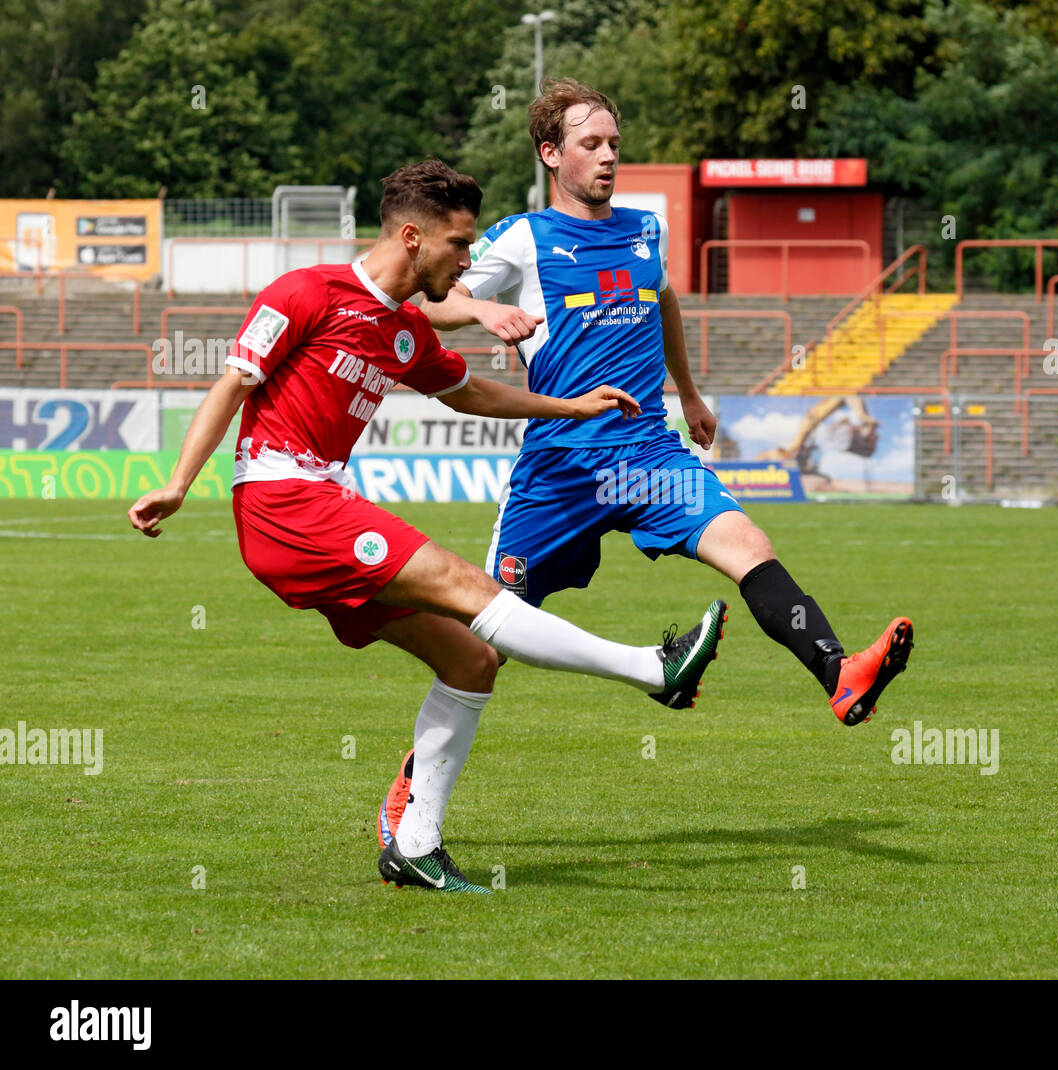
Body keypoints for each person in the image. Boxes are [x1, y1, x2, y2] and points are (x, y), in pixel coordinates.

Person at [128, 158, 727, 895]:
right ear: (413, 237)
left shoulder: (404, 328)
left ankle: (416, 846)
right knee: (467, 584)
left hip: (317, 508)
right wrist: (178, 484)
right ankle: (653, 670)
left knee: (472, 661)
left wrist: (570, 408)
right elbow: (233, 382)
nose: (469, 262)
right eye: (460, 245)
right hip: (285, 503)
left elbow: (468, 391)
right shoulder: (308, 292)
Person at [378, 80, 914, 847]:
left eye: (614, 145)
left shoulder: (645, 229)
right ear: (550, 153)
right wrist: (482, 308)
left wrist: (689, 393)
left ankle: (840, 672)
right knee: (482, 644)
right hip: (558, 469)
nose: (606, 158)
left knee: (750, 548)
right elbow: (420, 299)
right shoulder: (523, 239)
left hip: (648, 452)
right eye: (590, 145)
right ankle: (408, 795)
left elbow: (662, 303)